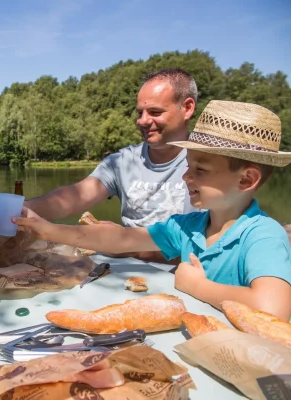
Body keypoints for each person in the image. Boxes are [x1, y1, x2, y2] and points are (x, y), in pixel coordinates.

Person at [15, 100, 291, 321]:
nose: (186, 178)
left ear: (246, 179)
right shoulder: (189, 226)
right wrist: (46, 228)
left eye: (201, 170)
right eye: (188, 167)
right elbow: (119, 239)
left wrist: (198, 286)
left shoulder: (262, 237)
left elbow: (274, 309)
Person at [25, 68, 198, 263]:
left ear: (187, 108)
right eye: (140, 112)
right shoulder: (122, 161)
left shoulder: (208, 166)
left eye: (155, 112)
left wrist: (125, 245)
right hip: (125, 277)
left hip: (186, 281)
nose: (143, 121)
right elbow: (72, 197)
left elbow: (211, 247)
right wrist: (20, 210)